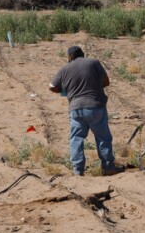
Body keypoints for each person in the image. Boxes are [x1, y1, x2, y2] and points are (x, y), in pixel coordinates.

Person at [49, 45, 121, 177]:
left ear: (70, 57)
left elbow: (52, 86)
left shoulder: (65, 68)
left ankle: (78, 171)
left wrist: (65, 91)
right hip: (96, 106)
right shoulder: (93, 62)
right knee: (103, 138)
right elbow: (106, 82)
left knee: (76, 139)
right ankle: (108, 167)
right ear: (83, 54)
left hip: (76, 109)